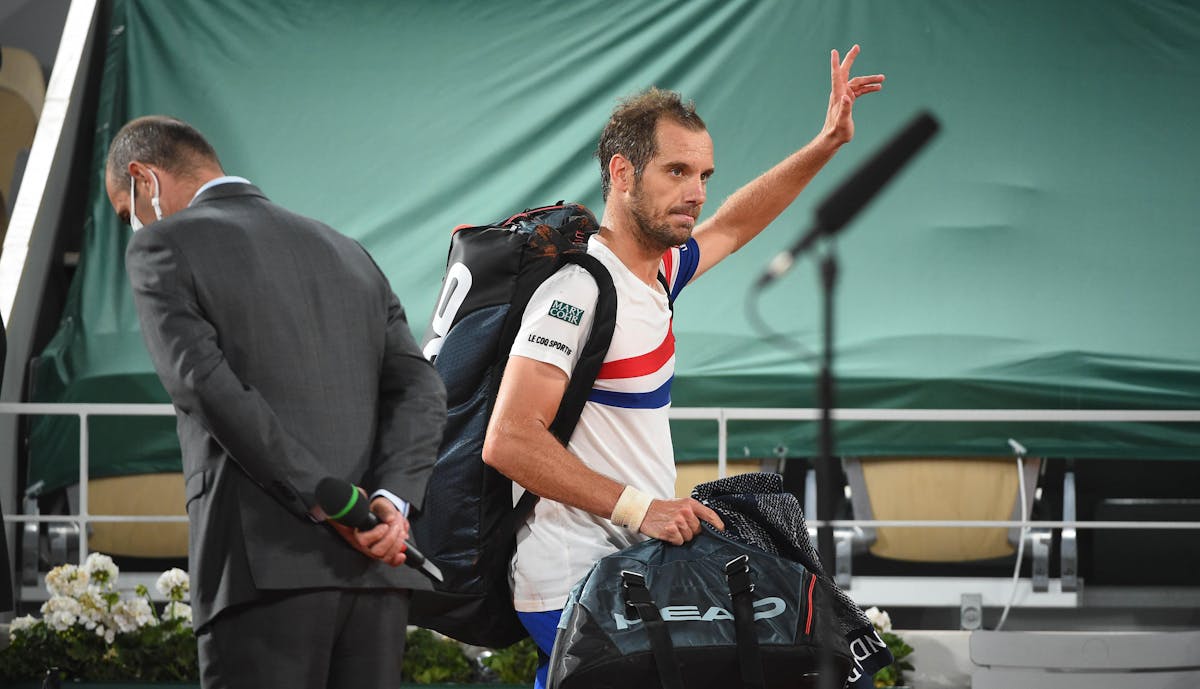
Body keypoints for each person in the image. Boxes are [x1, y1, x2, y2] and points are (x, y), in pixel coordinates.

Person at [481, 46, 884, 687]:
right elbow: (509, 440)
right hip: (570, 576)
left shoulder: (659, 275)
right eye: (676, 172)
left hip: (621, 570)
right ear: (621, 172)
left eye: (704, 174)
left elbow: (736, 222)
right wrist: (643, 508)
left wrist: (827, 142)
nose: (695, 192)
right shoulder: (577, 290)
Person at [108, 116, 447, 689]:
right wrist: (390, 501)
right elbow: (421, 387)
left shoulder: (162, 244)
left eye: (126, 211)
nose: (132, 225)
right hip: (376, 573)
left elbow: (203, 383)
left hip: (260, 569)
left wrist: (329, 500)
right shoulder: (348, 252)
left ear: (145, 180)